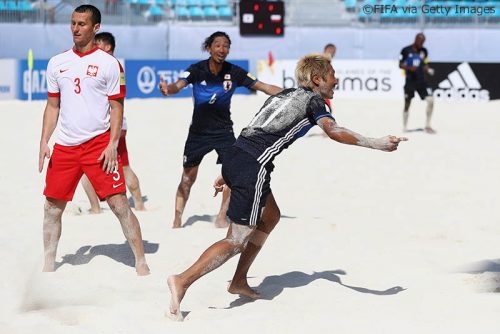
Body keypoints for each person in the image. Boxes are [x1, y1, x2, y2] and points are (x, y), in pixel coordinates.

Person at [166, 53, 408, 320]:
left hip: (237, 156)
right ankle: (182, 280)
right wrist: (376, 143)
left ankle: (239, 281)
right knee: (235, 240)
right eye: (332, 75)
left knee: (270, 216)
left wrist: (229, 172)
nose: (336, 80)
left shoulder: (283, 95)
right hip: (252, 166)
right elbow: (333, 131)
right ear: (318, 79)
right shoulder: (315, 101)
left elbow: (254, 130)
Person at [38, 5, 150, 276]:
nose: (76, 29)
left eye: (82, 24)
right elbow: (53, 106)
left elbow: (116, 107)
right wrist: (43, 142)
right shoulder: (57, 62)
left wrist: (112, 143)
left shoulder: (110, 64)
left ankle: (141, 261)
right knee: (52, 208)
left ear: (95, 28)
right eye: (73, 23)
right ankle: (48, 263)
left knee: (119, 205)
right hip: (65, 146)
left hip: (98, 146)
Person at [159, 31, 282, 229]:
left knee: (232, 174)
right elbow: (178, 85)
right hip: (198, 133)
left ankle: (221, 217)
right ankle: (177, 219)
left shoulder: (234, 72)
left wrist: (290, 93)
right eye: (217, 45)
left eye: (226, 46)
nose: (222, 49)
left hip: (224, 131)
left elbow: (264, 86)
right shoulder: (196, 70)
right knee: (187, 178)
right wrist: (168, 89)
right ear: (209, 48)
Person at [80, 31, 146, 213]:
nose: (93, 47)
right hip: (119, 124)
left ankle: (95, 208)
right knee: (124, 166)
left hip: (106, 126)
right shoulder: (114, 65)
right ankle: (139, 204)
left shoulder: (107, 65)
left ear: (107, 47)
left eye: (96, 44)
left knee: (85, 168)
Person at [399, 33, 436, 134]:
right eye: (420, 42)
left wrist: (428, 69)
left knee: (431, 100)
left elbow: (424, 64)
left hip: (421, 81)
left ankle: (428, 126)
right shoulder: (406, 50)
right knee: (407, 103)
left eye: (423, 42)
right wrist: (409, 68)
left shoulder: (424, 51)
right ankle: (405, 127)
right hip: (410, 81)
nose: (421, 44)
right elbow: (400, 65)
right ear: (416, 40)